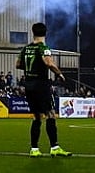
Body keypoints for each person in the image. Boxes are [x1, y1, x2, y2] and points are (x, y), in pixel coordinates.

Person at [16, 22, 72, 157]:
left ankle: (34, 149)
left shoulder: (26, 48)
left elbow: (18, 64)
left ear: (33, 32)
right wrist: (59, 73)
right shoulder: (43, 47)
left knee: (36, 117)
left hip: (28, 85)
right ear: (45, 33)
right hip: (41, 85)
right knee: (50, 114)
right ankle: (55, 147)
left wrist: (31, 68)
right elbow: (48, 62)